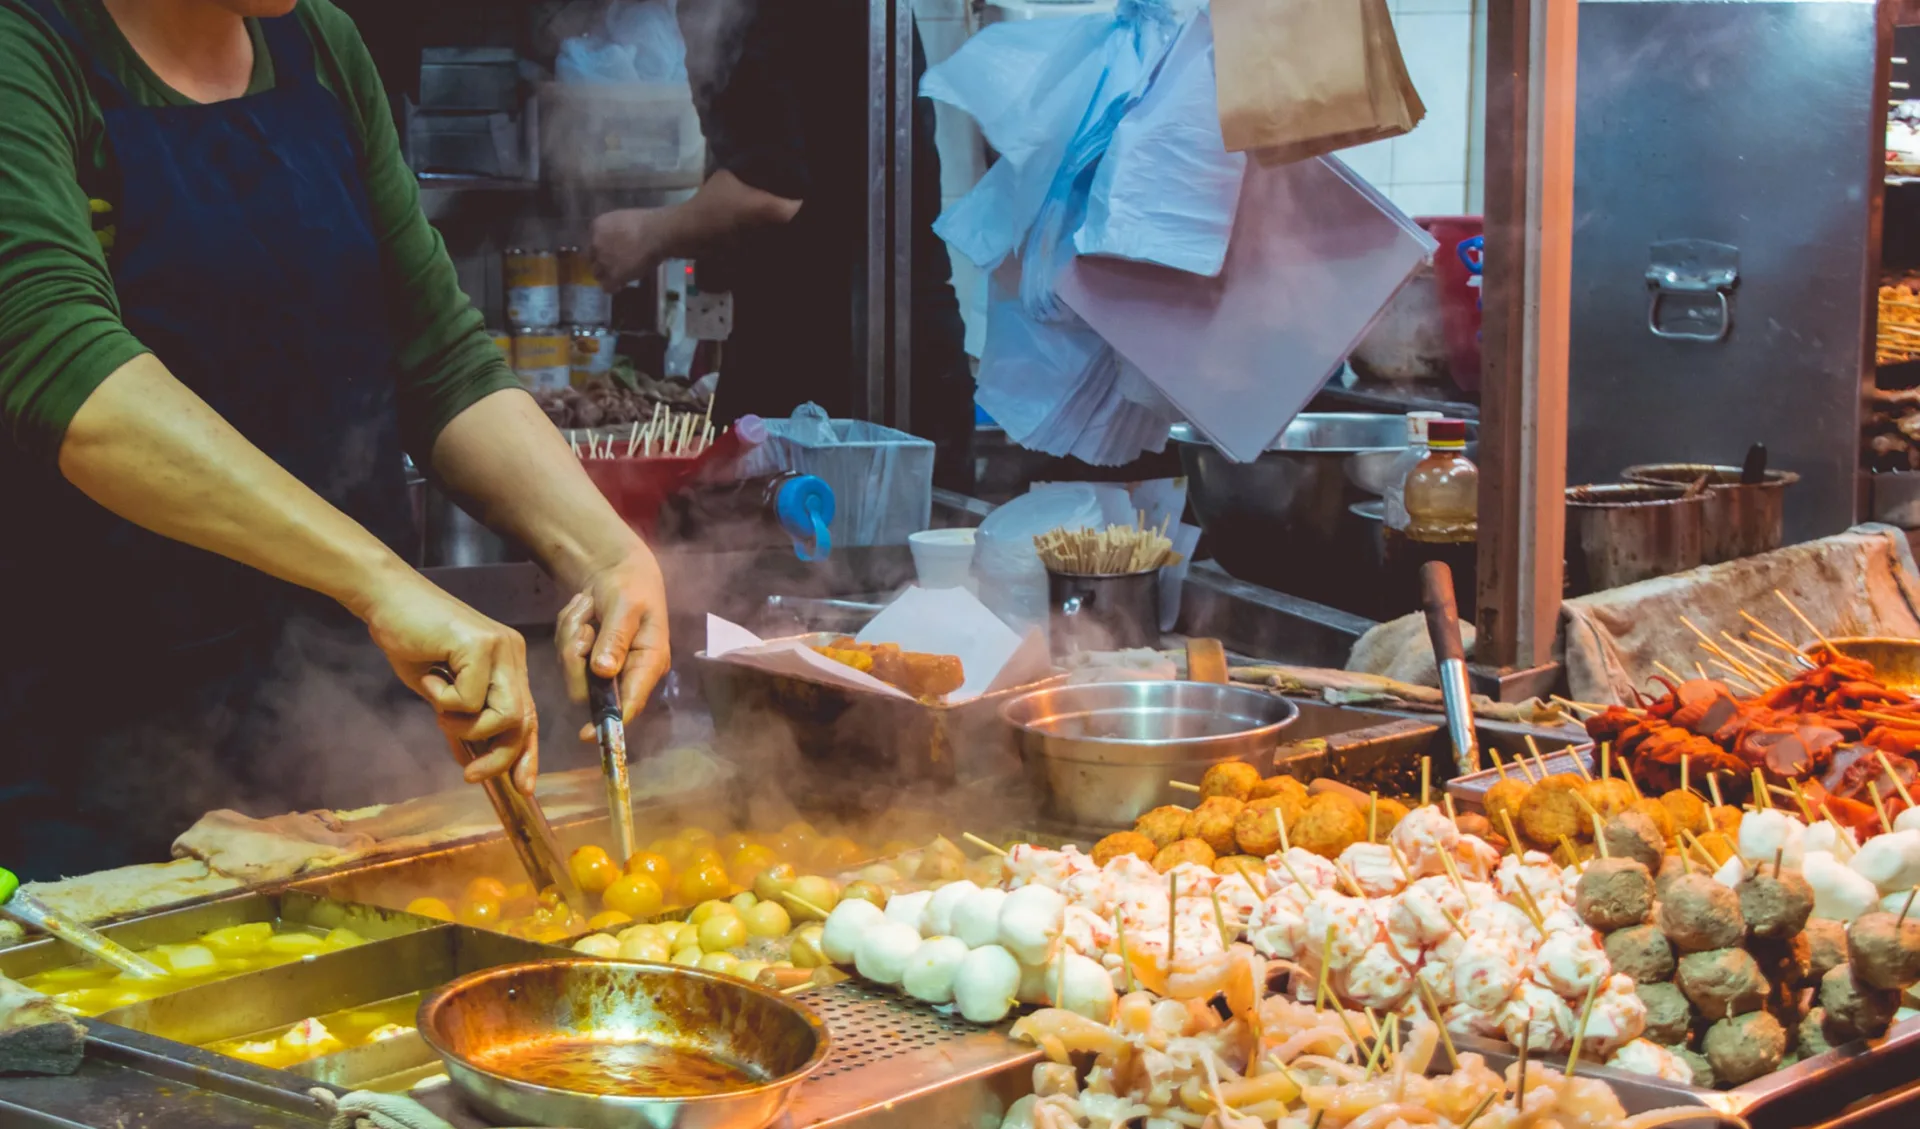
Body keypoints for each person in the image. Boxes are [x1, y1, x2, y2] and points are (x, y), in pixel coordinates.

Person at [0, 0, 669, 880]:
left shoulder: (317, 44)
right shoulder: (28, 50)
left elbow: (438, 356)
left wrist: (608, 553)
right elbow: (66, 370)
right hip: (103, 760)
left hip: (344, 749)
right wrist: (383, 584)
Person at [588, 0, 976, 493]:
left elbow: (768, 192)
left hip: (817, 381)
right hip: (905, 362)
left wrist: (646, 235)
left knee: (772, 561)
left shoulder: (741, 8)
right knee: (915, 567)